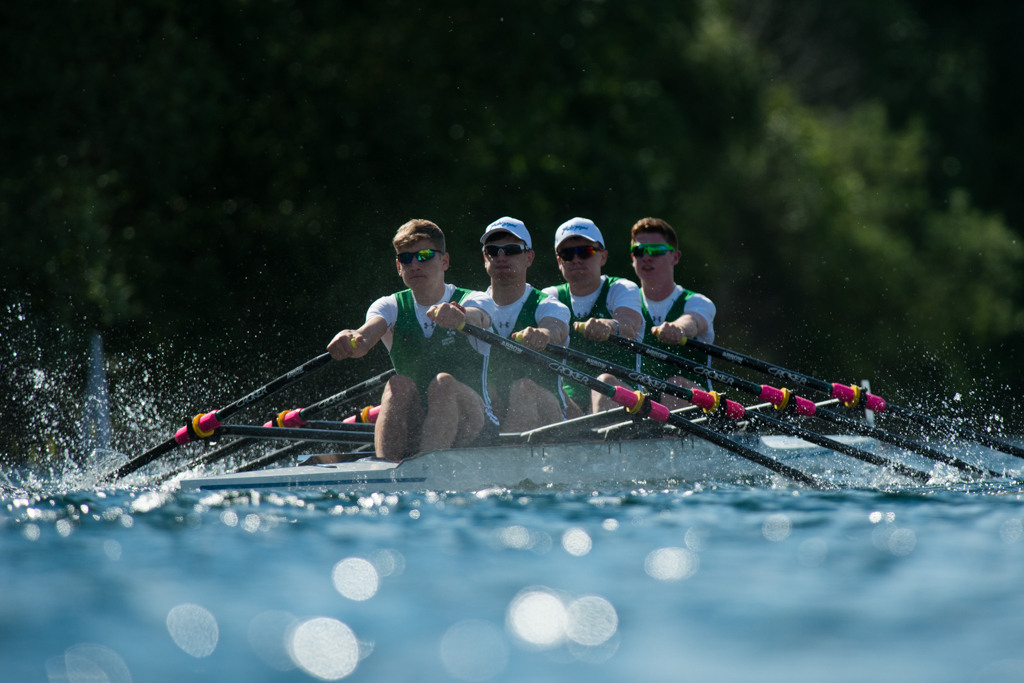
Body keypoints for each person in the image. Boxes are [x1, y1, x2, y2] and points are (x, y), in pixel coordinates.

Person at [324, 219, 495, 461]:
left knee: (443, 383)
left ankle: (424, 466)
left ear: (444, 261)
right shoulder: (389, 306)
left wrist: (461, 317)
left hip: (475, 425)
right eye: (406, 259)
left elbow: (481, 318)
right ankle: (386, 471)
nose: (415, 264)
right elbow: (364, 338)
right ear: (398, 267)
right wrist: (350, 338)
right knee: (398, 384)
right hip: (417, 422)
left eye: (424, 255)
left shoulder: (474, 299)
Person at [541, 217, 644, 415]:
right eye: (567, 254)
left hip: (626, 402)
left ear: (603, 257)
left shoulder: (621, 288)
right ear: (559, 261)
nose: (576, 259)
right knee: (532, 389)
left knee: (604, 383)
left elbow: (630, 326)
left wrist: (609, 326)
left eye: (585, 252)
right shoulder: (549, 296)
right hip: (573, 408)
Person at [478, 217, 571, 432]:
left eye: (511, 249)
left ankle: (508, 462)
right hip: (493, 408)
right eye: (493, 250)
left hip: (549, 417)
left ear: (529, 257)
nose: (501, 256)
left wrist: (544, 334)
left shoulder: (547, 305)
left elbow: (556, 329)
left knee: (523, 389)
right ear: (485, 258)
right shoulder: (475, 306)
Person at [630, 217, 717, 409]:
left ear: (675, 257)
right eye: (639, 251)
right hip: (645, 410)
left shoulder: (697, 302)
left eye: (656, 251)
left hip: (698, 410)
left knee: (674, 385)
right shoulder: (625, 305)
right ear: (632, 258)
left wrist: (678, 328)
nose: (646, 257)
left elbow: (693, 322)